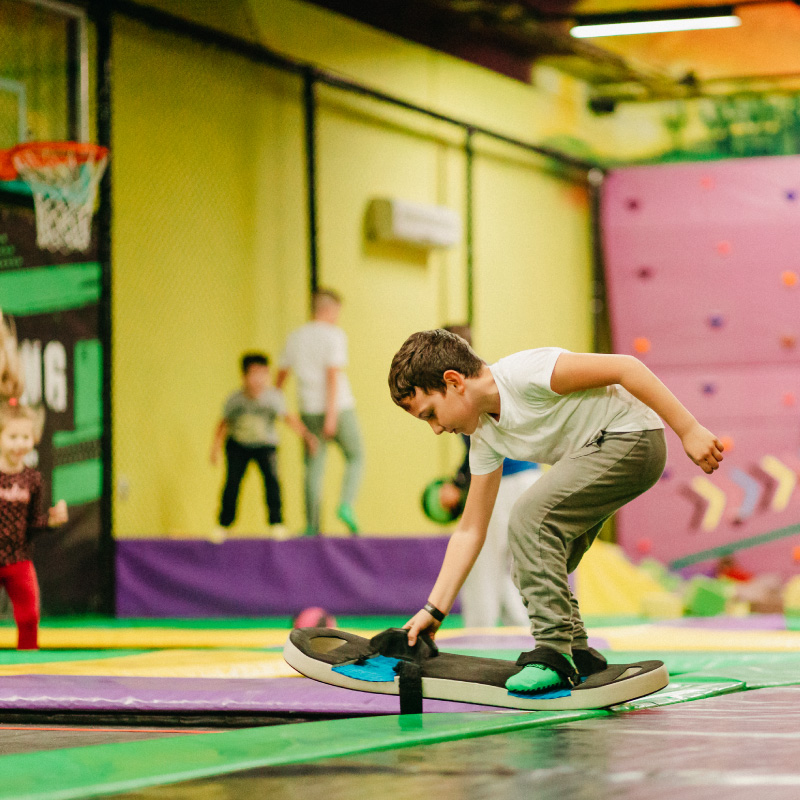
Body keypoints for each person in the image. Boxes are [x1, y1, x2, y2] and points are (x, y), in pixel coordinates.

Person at [388, 329, 723, 694]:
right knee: (530, 563)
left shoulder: (525, 373)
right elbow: (470, 530)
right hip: (598, 451)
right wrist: (434, 610)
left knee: (529, 519)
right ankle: (577, 651)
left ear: (454, 382)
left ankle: (554, 654)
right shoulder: (484, 436)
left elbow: (626, 368)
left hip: (631, 437)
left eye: (431, 414)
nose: (436, 429)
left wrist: (688, 428)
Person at [438, 324, 539, 629]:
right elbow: (481, 445)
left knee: (482, 560)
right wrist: (457, 481)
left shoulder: (462, 389)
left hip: (505, 482)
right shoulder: (488, 377)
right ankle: (522, 627)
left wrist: (458, 484)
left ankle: (479, 630)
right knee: (513, 564)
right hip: (530, 478)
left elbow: (483, 447)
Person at [277, 289, 364, 536]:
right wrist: (332, 415)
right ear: (329, 310)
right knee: (356, 456)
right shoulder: (334, 335)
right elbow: (332, 375)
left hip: (308, 411)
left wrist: (287, 415)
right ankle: (346, 504)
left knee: (313, 468)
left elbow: (279, 382)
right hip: (339, 408)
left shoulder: (295, 337)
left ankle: (311, 525)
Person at [211, 352, 317, 540]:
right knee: (232, 484)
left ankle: (276, 523)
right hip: (238, 445)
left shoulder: (273, 398)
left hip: (265, 446)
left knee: (272, 483)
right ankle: (224, 524)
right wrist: (215, 448)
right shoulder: (235, 400)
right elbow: (223, 423)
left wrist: (306, 436)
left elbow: (288, 418)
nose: (259, 380)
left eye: (263, 374)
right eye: (254, 374)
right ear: (244, 376)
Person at [0, 401, 68, 649]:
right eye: (12, 437)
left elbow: (32, 523)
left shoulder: (33, 479)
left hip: (19, 558)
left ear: (34, 438)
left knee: (29, 615)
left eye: (25, 437)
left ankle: (28, 659)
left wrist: (51, 521)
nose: (20, 444)